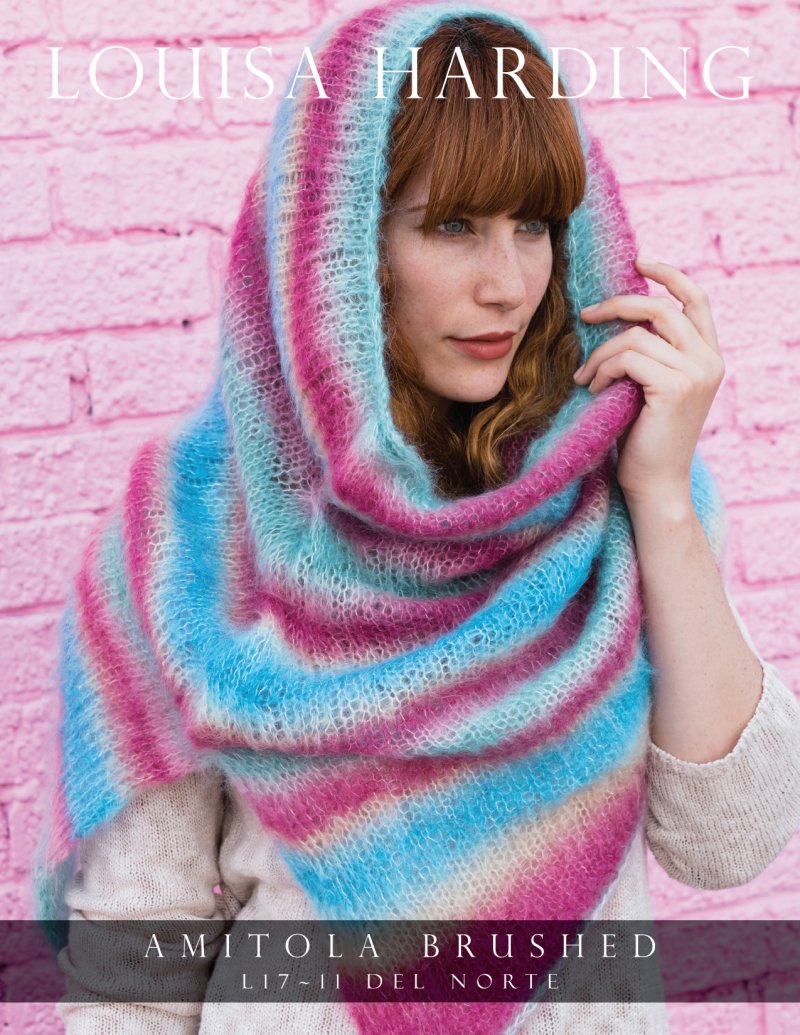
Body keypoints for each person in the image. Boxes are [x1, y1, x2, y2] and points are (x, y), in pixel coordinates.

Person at [34, 2, 800, 1033]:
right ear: (337, 244)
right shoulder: (188, 541)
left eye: (534, 225)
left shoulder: (620, 499)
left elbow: (727, 839)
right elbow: (133, 969)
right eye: (452, 225)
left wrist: (661, 497)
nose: (508, 285)